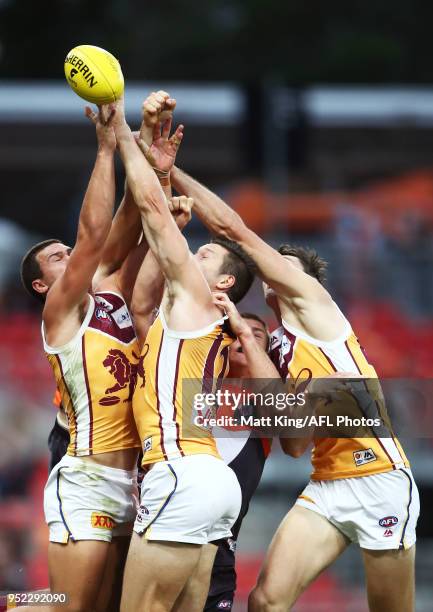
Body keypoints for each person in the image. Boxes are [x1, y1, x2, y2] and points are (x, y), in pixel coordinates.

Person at [169, 170, 420, 612]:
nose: (275, 268)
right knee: (265, 601)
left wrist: (171, 174)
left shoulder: (317, 308)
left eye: (287, 265)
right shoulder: (278, 347)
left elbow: (233, 229)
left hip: (379, 477)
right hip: (327, 484)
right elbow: (295, 443)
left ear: (306, 281)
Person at [19, 93, 177, 611]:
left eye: (67, 251)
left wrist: (149, 158)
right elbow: (92, 237)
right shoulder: (61, 312)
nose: (69, 255)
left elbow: (129, 221)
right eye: (57, 259)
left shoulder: (109, 294)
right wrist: (106, 149)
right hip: (86, 478)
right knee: (69, 607)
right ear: (44, 287)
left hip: (131, 482)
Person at [111, 96, 256, 612]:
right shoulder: (191, 319)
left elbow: (151, 214)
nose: (195, 252)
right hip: (213, 482)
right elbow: (144, 299)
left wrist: (123, 134)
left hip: (179, 471)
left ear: (224, 283)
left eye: (207, 253)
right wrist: (165, 178)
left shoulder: (197, 299)